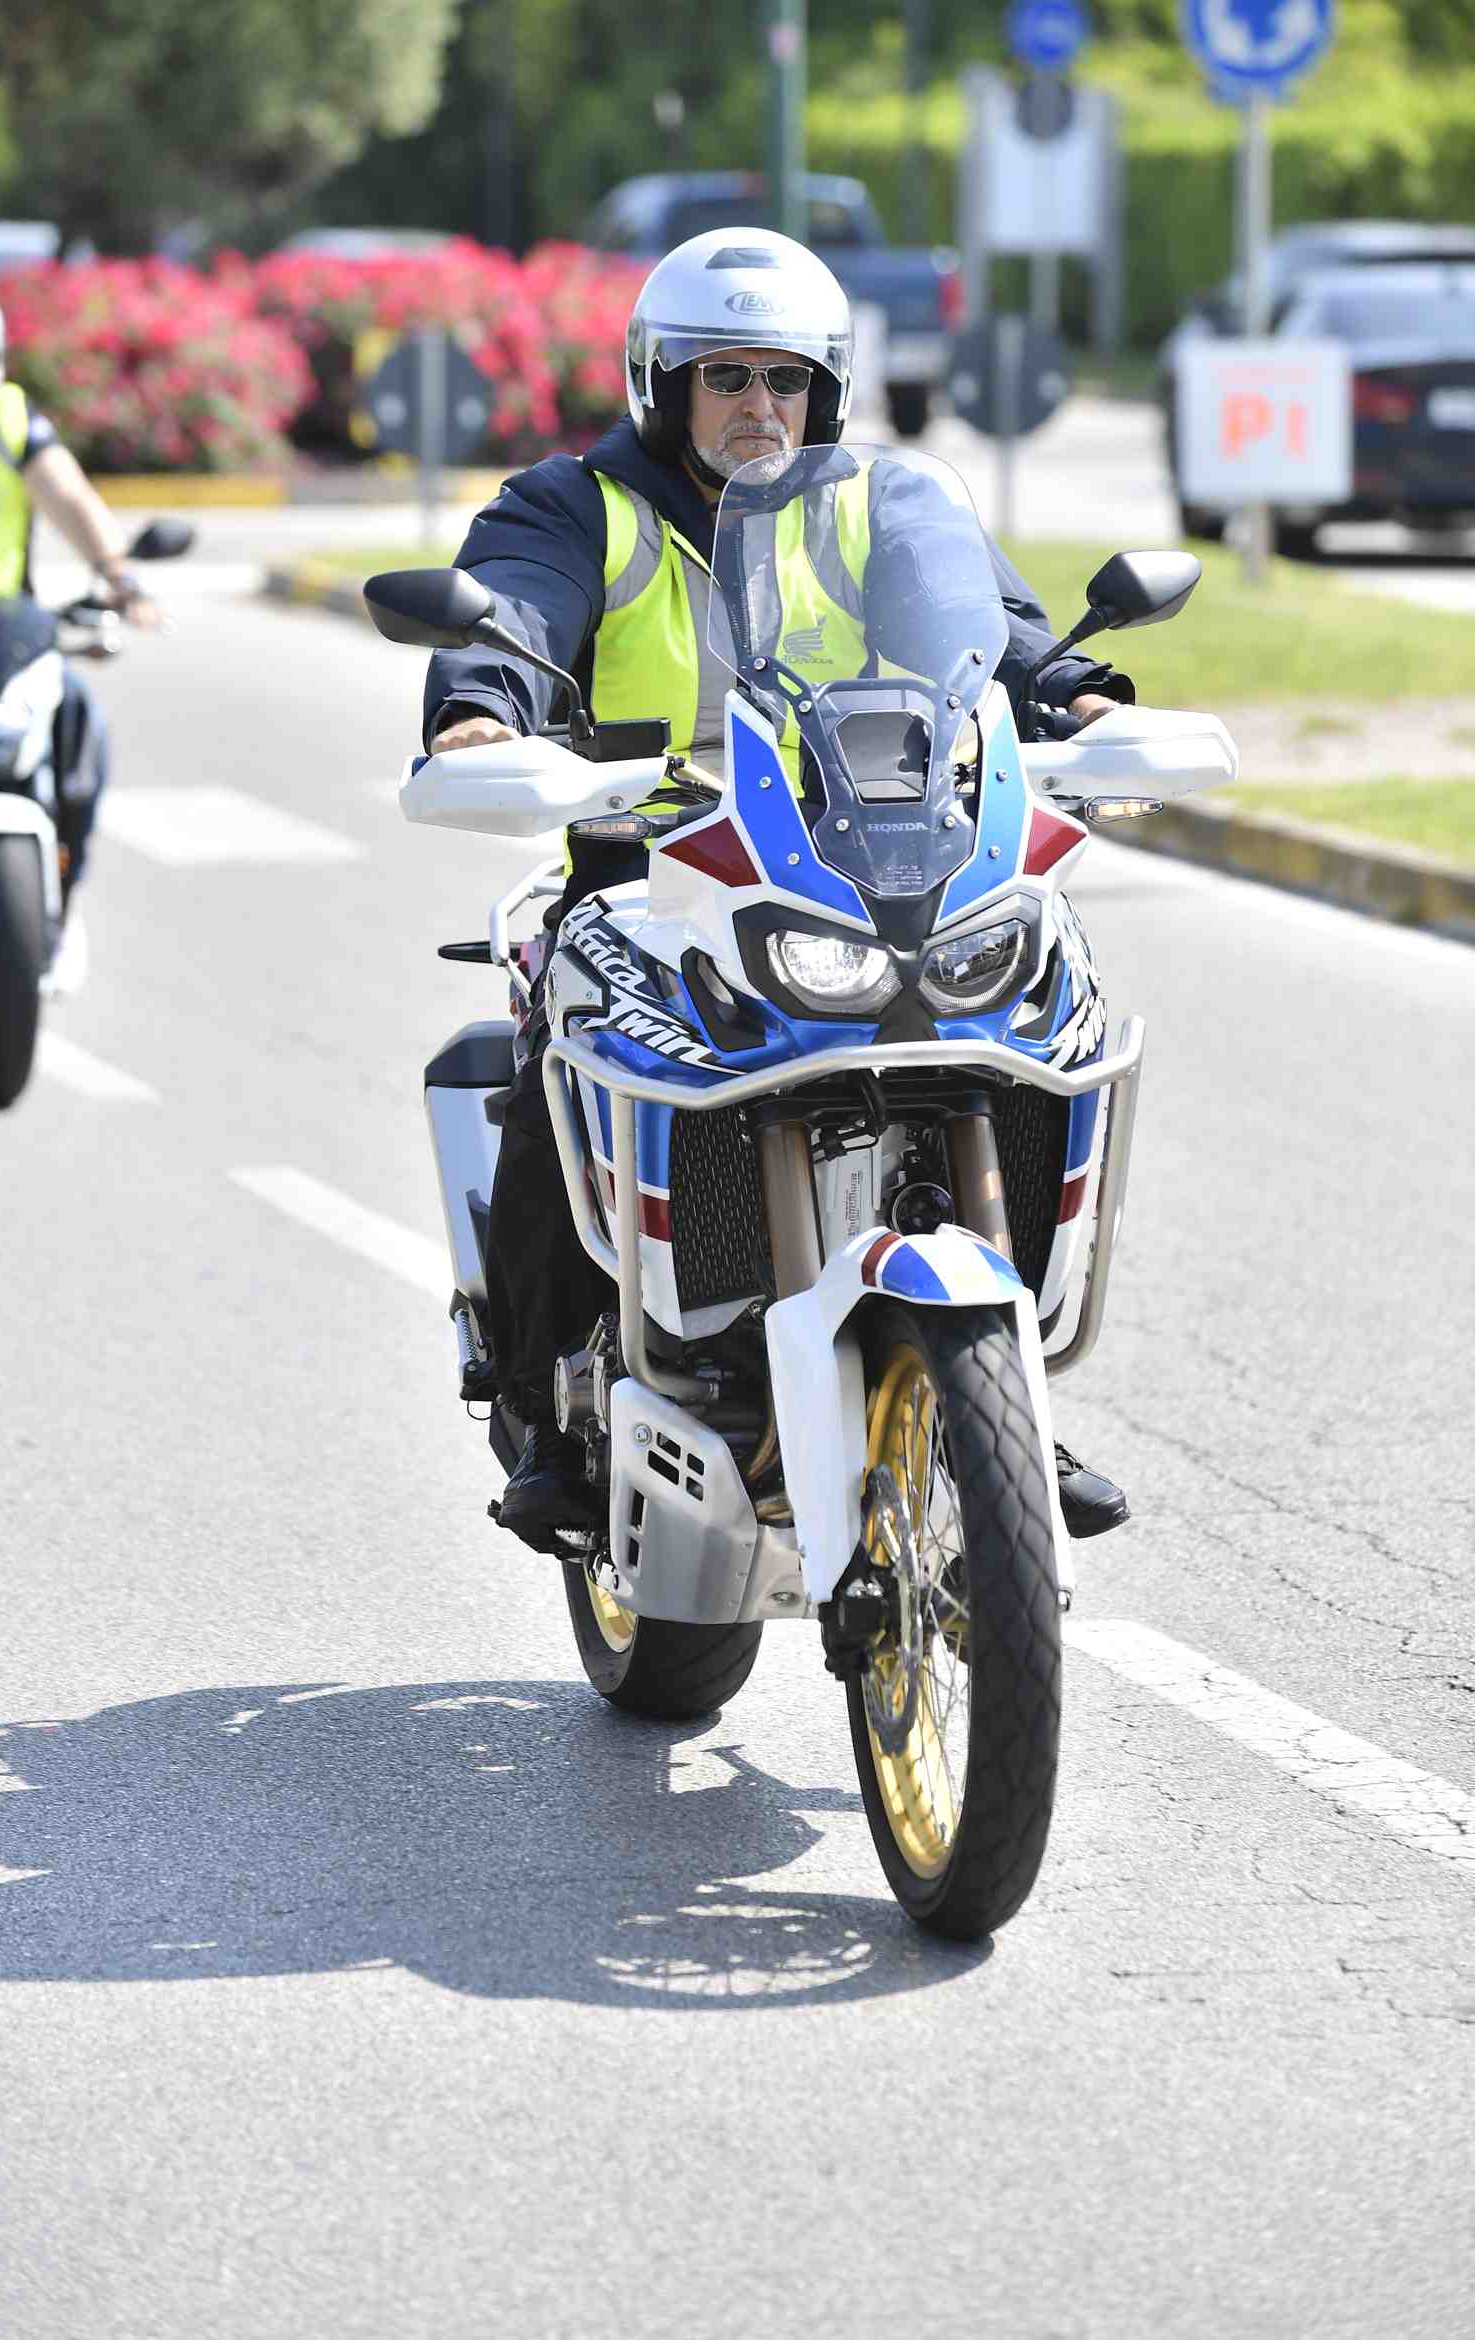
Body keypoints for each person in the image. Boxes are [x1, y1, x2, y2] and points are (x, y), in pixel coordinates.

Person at [422, 228, 1132, 1549]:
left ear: (828, 391)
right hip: (652, 872)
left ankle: (999, 1399)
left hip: (866, 861)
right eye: (728, 377)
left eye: (787, 379)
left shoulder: (873, 507)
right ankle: (543, 1405)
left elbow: (986, 624)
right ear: (664, 386)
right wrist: (483, 707)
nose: (760, 405)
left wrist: (1076, 697)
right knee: (573, 1041)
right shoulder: (576, 507)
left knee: (1030, 1014)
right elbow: (514, 607)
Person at [0, 266, 160, 982]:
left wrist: (119, 576)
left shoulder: (10, 418)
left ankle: (59, 882)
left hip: (1, 639)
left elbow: (69, 497)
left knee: (78, 717)